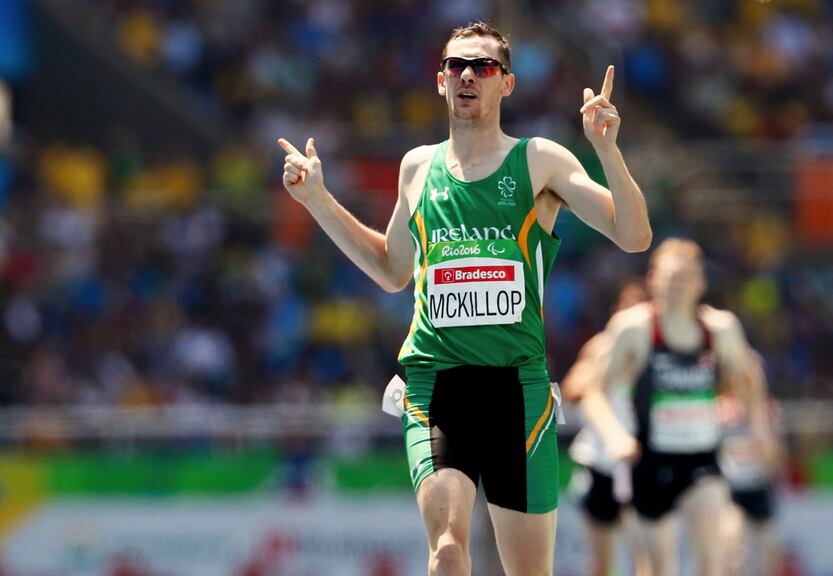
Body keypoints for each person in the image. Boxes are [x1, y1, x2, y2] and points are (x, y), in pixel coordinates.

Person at [278, 21, 652, 576]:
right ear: (441, 81)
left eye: (484, 66)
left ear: (507, 83)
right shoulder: (417, 167)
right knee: (448, 552)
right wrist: (317, 200)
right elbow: (391, 270)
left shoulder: (539, 160)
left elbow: (634, 235)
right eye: (456, 65)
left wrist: (606, 150)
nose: (468, 75)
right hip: (436, 383)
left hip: (516, 390)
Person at [577, 238, 770, 576]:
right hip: (650, 460)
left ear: (702, 282)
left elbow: (749, 379)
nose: (678, 286)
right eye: (671, 278)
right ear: (653, 280)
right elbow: (593, 391)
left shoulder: (720, 329)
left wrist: (760, 428)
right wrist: (614, 435)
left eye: (686, 278)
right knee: (658, 568)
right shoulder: (634, 328)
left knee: (712, 560)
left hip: (701, 458)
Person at [563, 279, 652, 576]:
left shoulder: (655, 348)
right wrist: (601, 373)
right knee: (601, 561)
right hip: (600, 458)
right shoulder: (601, 347)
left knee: (644, 555)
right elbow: (572, 389)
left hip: (638, 459)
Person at [716, 355, 784, 576]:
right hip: (730, 488)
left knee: (770, 550)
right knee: (732, 550)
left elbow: (775, 455)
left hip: (758, 485)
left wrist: (764, 439)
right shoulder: (720, 406)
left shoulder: (766, 410)